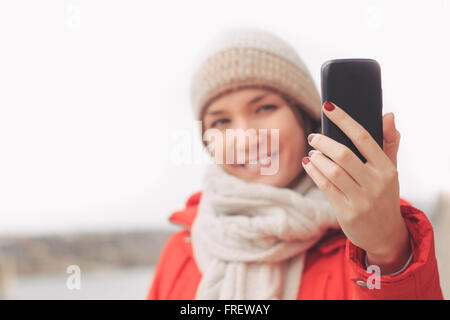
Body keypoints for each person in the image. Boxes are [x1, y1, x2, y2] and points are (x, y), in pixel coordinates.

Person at [147, 27, 443, 299]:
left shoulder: (373, 238)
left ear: (306, 118)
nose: (245, 138)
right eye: (221, 120)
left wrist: (387, 250)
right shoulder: (181, 250)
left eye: (264, 107)